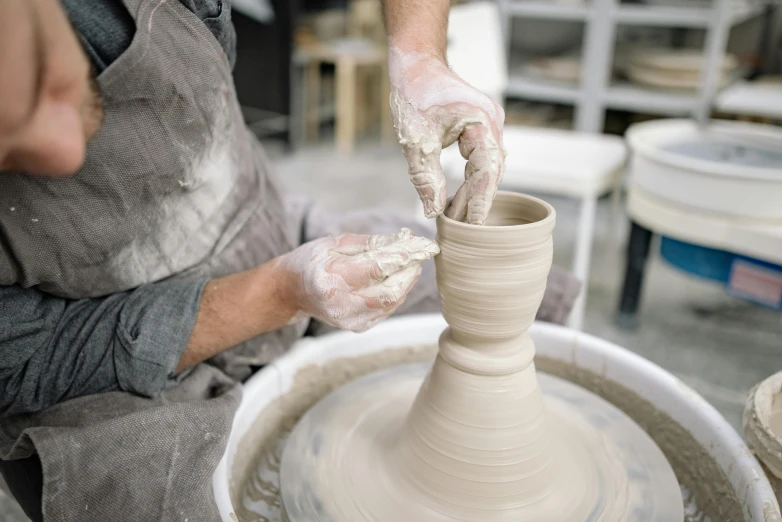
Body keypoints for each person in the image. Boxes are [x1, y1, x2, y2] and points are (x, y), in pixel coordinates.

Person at [0, 0, 580, 520]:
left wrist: (419, 55)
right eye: (7, 152)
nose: (64, 150)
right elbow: (24, 360)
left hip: (261, 226)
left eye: (54, 85)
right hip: (95, 367)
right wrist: (279, 293)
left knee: (540, 301)